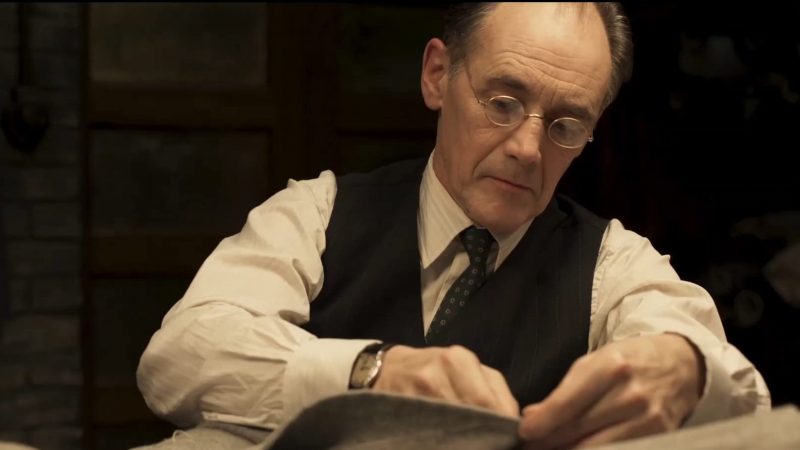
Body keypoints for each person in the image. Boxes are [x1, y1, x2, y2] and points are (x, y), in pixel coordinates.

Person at [137, 3, 770, 448]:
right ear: (438, 75)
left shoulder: (614, 262)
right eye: (503, 102)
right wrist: (371, 374)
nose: (527, 148)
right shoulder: (319, 212)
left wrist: (686, 368)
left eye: (566, 125)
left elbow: (740, 393)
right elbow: (180, 356)